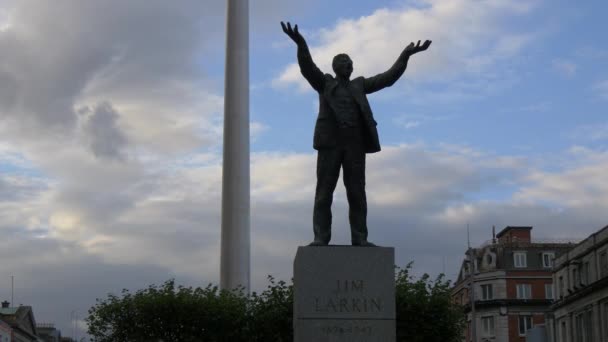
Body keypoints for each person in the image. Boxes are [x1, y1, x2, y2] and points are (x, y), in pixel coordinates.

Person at [281, 21, 431, 246]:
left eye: (350, 63)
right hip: (330, 144)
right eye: (344, 62)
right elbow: (307, 67)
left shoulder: (359, 85)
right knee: (324, 194)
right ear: (335, 67)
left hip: (354, 145)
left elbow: (387, 78)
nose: (349, 66)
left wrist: (405, 56)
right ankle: (321, 237)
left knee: (357, 194)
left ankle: (360, 238)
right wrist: (300, 43)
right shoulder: (324, 83)